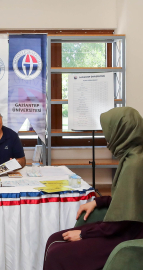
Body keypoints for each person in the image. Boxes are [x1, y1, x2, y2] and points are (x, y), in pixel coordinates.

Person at [43, 107, 143, 270]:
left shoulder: (134, 164)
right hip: (122, 229)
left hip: (128, 236)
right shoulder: (132, 155)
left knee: (57, 252)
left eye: (109, 132)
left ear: (121, 132)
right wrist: (99, 202)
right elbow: (129, 199)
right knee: (53, 239)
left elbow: (123, 221)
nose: (107, 139)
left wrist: (84, 234)